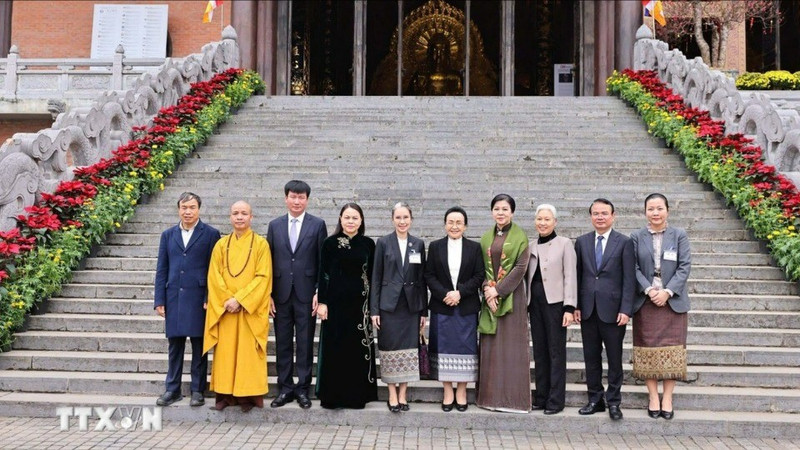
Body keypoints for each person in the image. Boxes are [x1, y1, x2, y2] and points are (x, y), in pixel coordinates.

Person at [203, 201, 272, 412]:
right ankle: (225, 396)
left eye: (244, 213)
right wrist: (228, 300)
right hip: (226, 311)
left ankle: (247, 397)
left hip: (249, 311)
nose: (239, 217)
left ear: (251, 217)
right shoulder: (221, 245)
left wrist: (240, 300)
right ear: (230, 217)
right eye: (235, 213)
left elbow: (263, 277)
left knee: (248, 355)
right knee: (226, 354)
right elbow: (214, 277)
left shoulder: (261, 244)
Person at [154, 192, 220, 407]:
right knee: (175, 346)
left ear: (199, 209)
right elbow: (162, 268)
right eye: (184, 207)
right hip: (174, 296)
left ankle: (197, 390)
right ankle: (172, 389)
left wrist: (210, 296)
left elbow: (215, 269)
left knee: (200, 346)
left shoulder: (211, 234)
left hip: (198, 298)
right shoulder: (168, 235)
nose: (188, 211)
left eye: (192, 207)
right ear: (178, 209)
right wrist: (159, 299)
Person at [266, 180, 327, 409]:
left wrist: (319, 291)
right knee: (282, 342)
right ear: (286, 198)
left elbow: (323, 261)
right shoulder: (275, 225)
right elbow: (268, 262)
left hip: (306, 294)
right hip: (280, 295)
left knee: (304, 342)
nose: (297, 201)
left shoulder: (317, 225)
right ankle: (284, 388)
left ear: (307, 200)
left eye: (301, 197)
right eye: (293, 196)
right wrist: (268, 294)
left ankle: (302, 389)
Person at [630, 193, 691, 420]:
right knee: (647, 350)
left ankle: (668, 397)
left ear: (667, 210)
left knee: (673, 350)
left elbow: (684, 266)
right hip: (646, 301)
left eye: (659, 208)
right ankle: (653, 396)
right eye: (651, 209)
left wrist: (667, 291)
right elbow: (633, 267)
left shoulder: (679, 235)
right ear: (645, 212)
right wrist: (649, 290)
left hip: (672, 302)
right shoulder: (636, 236)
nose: (655, 213)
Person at [574, 198, 634, 421]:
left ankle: (614, 402)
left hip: (613, 311)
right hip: (588, 310)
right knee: (591, 357)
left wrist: (626, 309)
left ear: (613, 215)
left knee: (614, 359)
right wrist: (576, 306)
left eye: (604, 213)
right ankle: (595, 399)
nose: (600, 217)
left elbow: (629, 279)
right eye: (596, 213)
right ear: (591, 216)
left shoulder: (624, 243)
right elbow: (578, 276)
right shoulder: (581, 242)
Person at [315, 203, 378, 409]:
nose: (350, 221)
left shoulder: (368, 244)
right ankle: (332, 396)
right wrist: (322, 302)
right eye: (347, 217)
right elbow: (323, 275)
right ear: (340, 219)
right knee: (335, 349)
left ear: (361, 221)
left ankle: (356, 396)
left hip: (360, 307)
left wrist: (373, 307)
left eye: (355, 218)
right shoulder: (330, 243)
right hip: (335, 306)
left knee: (357, 351)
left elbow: (373, 277)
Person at [423, 206, 484, 412]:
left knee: (466, 348)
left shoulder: (474, 248)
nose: (454, 226)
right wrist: (445, 294)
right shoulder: (436, 246)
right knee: (443, 349)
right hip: (442, 307)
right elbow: (429, 275)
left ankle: (462, 391)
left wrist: (459, 292)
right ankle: (448, 391)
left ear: (465, 226)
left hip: (466, 307)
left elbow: (479, 276)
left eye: (459, 222)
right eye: (451, 222)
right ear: (445, 224)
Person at [370, 202, 427, 413]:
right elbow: (376, 277)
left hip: (411, 307)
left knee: (409, 352)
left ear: (411, 219)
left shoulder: (418, 244)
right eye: (398, 218)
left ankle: (403, 394)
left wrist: (423, 312)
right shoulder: (383, 243)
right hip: (389, 307)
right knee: (389, 349)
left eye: (405, 217)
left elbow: (421, 280)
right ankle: (392, 394)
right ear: (392, 219)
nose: (402, 222)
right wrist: (374, 310)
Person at [476, 194, 531, 413]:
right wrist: (487, 289)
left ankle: (513, 400)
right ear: (492, 212)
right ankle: (490, 398)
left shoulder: (520, 237)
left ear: (512, 212)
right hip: (489, 298)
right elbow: (479, 267)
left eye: (505, 209)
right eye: (497, 209)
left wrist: (497, 291)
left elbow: (520, 268)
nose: (501, 213)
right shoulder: (485, 239)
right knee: (491, 348)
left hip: (512, 299)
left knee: (511, 348)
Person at [525, 204, 577, 415]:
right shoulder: (530, 246)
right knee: (539, 351)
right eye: (539, 219)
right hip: (535, 304)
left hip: (556, 304)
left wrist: (569, 307)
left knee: (556, 352)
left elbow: (570, 275)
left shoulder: (565, 244)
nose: (543, 223)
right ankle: (541, 396)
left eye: (547, 219)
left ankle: (556, 400)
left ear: (555, 222)